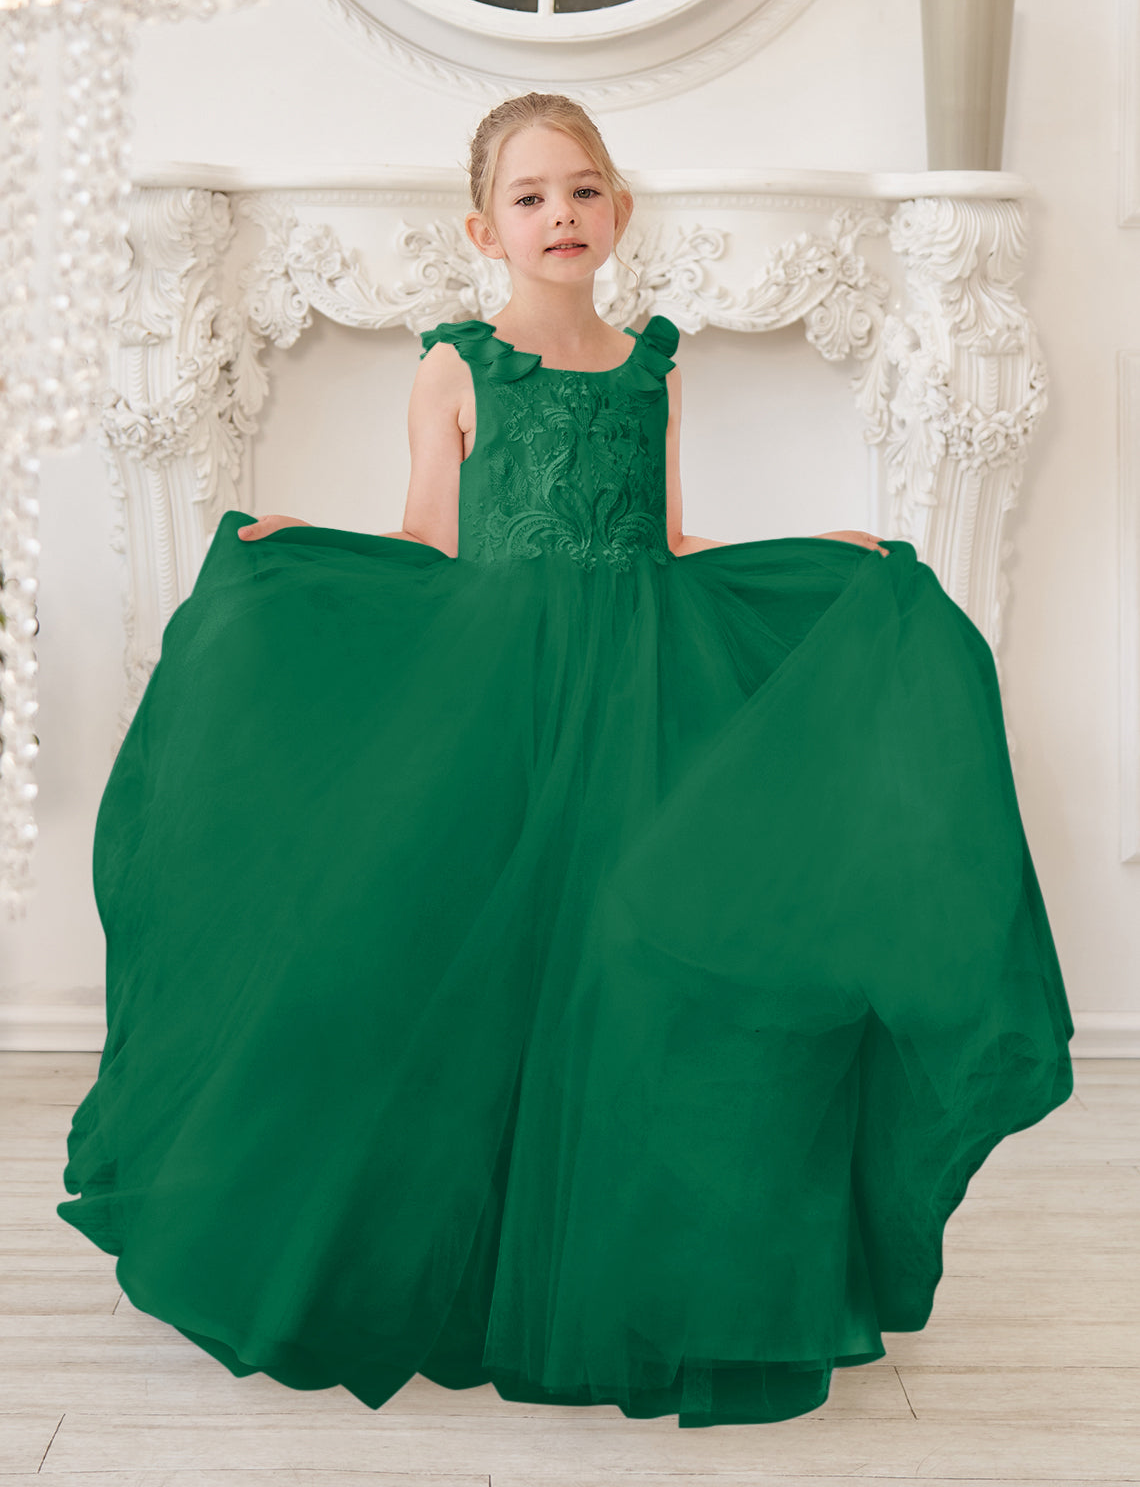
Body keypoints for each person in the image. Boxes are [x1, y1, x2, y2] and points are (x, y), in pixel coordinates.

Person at [57, 92, 1074, 1430]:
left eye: (583, 191)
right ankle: (424, 1252)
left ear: (620, 214)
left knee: (624, 969)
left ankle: (625, 1267)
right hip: (492, 691)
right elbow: (432, 548)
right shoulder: (455, 367)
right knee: (454, 969)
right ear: (485, 227)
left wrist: (835, 563)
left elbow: (668, 540)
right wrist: (304, 558)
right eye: (531, 197)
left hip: (641, 684)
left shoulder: (653, 366)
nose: (560, 216)